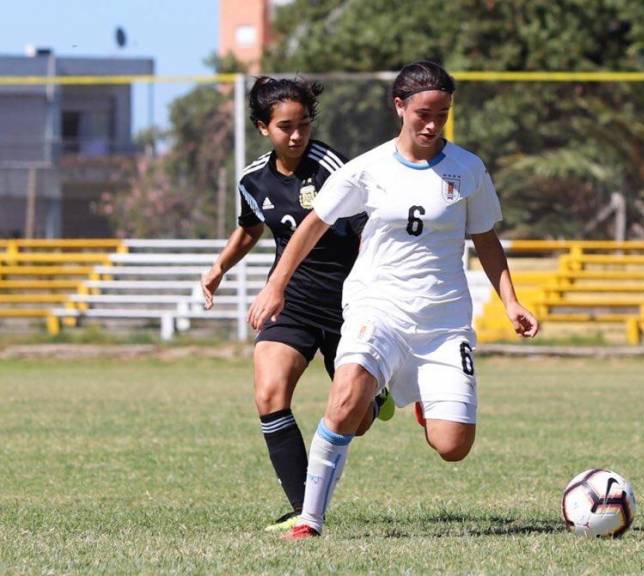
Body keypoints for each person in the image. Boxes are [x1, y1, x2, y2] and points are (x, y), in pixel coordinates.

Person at [247, 60, 540, 540]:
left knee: (453, 445)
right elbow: (312, 226)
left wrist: (511, 302)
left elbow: (485, 239)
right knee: (344, 403)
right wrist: (275, 284)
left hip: (443, 321)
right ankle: (309, 519)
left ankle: (422, 394)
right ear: (399, 106)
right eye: (423, 113)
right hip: (375, 308)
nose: (431, 124)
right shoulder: (367, 169)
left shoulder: (468, 169)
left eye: (442, 114)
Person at [201, 76, 391, 533]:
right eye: (285, 126)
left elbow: (369, 224)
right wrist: (219, 267)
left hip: (349, 301)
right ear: (263, 127)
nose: (297, 135)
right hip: (293, 297)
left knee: (359, 420)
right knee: (269, 393)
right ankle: (301, 510)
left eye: (304, 124)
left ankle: (378, 392)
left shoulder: (331, 166)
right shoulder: (252, 178)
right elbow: (250, 228)